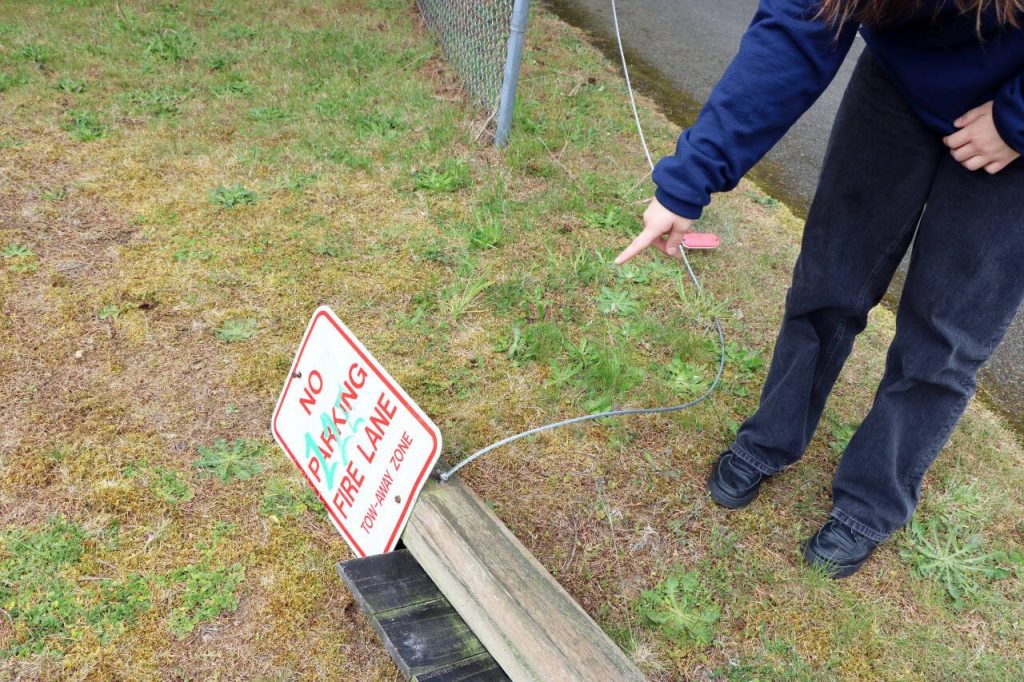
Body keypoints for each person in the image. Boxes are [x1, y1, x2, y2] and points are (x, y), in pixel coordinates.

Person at [615, 0, 1024, 578]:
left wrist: (1015, 120)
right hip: (902, 82)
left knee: (946, 334)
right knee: (830, 279)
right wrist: (690, 179)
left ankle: (871, 501)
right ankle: (770, 438)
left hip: (1015, 135)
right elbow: (797, 29)